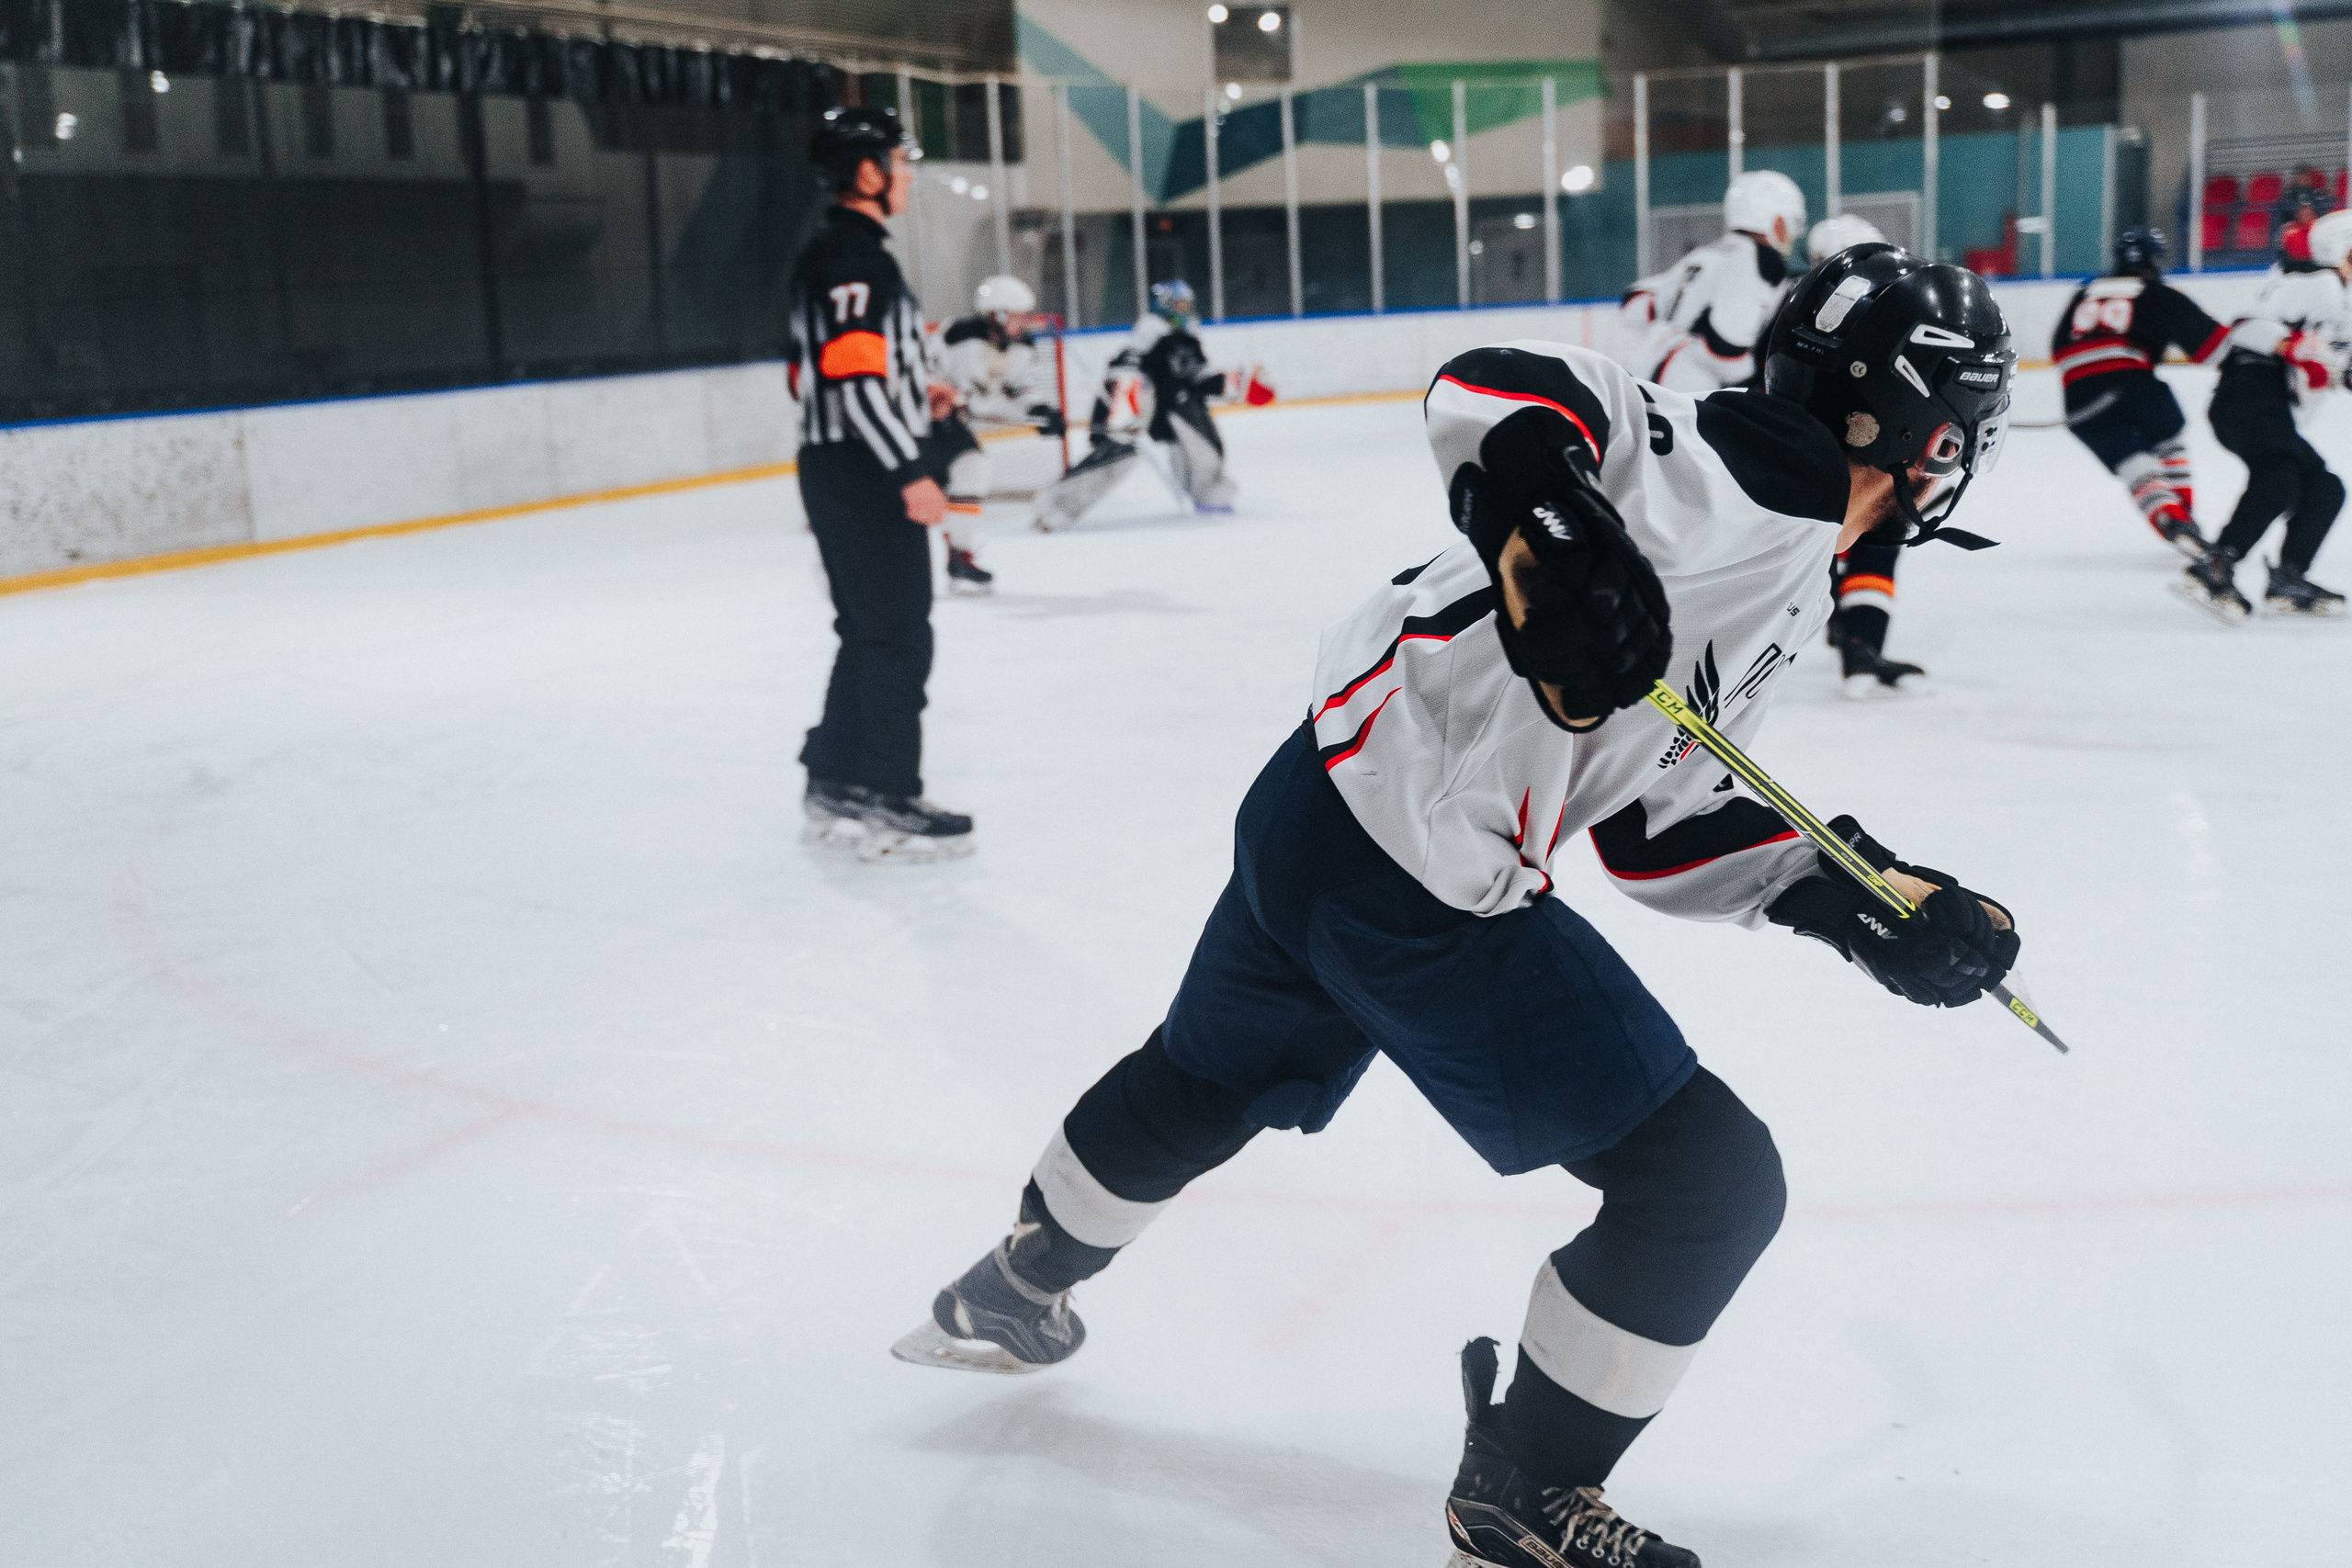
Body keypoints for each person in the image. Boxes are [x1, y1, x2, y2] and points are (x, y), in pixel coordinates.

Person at [893, 249, 2024, 1568]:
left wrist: (1861, 898)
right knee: (1706, 1186)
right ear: (1932, 422)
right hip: (1416, 881)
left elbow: (1663, 828)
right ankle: (1526, 1494)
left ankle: (1013, 1281)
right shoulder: (1763, 472)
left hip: (1314, 812)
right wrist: (1542, 516)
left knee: (1204, 1076)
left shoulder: (1792, 547)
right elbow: (1502, 391)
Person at [786, 106, 975, 862]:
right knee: (898, 634)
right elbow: (856, 386)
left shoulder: (837, 255)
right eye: (897, 162)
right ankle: (891, 793)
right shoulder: (855, 260)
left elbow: (832, 377)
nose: (904, 175)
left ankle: (835, 776)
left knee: (866, 629)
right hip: (865, 471)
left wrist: (915, 396)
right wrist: (910, 470)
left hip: (840, 464)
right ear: (866, 173)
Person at [2176, 209, 2352, 620]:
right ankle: (2215, 565)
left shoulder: (2340, 298)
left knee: (2323, 488)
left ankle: (2288, 577)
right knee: (2280, 475)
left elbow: (2336, 363)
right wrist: (2293, 349)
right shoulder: (2314, 283)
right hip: (2250, 392)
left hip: (2269, 405)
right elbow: (2244, 326)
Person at [1801, 220, 1930, 697]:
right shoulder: (1882, 307)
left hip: (1792, 442)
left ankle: (1846, 631)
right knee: (1879, 532)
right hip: (1860, 443)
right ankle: (1861, 644)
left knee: (1821, 540)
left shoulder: (1793, 302)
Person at [2050, 227, 2229, 559]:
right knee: (2168, 437)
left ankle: (2168, 517)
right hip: (2132, 382)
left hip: (2078, 399)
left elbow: (2058, 349)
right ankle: (2184, 512)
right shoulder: (2154, 292)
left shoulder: (2086, 292)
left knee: (2131, 460)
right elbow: (2214, 347)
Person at [1034, 279, 1242, 530]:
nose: (1185, 310)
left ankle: (1209, 495)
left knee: (1199, 438)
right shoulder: (1152, 333)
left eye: (1187, 304)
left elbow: (1196, 375)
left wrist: (1233, 383)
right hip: (1137, 408)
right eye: (1179, 304)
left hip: (1171, 406)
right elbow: (1128, 366)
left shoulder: (1185, 339)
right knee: (1117, 453)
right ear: (1165, 307)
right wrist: (1125, 402)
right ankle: (1056, 507)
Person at [927, 274, 1067, 592]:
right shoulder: (960, 335)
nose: (1026, 322)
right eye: (1020, 315)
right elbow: (931, 375)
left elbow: (1016, 390)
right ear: (998, 314)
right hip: (918, 421)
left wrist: (1040, 412)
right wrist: (944, 396)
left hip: (949, 425)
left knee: (970, 469)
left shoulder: (1021, 347)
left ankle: (959, 556)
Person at [1615, 169, 1806, 395]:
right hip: (1691, 394)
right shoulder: (1762, 261)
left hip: (1645, 377)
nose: (1790, 236)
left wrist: (1682, 324)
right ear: (1773, 221)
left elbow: (1634, 306)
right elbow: (1724, 351)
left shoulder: (1705, 255)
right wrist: (1757, 377)